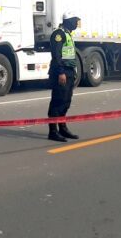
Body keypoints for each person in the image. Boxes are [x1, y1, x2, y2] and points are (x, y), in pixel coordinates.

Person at [47, 10, 81, 142]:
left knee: (66, 101)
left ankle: (63, 128)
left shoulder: (67, 34)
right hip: (60, 72)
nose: (76, 24)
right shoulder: (59, 34)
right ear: (69, 21)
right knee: (57, 101)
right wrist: (61, 72)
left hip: (69, 71)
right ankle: (53, 131)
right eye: (75, 21)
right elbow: (56, 55)